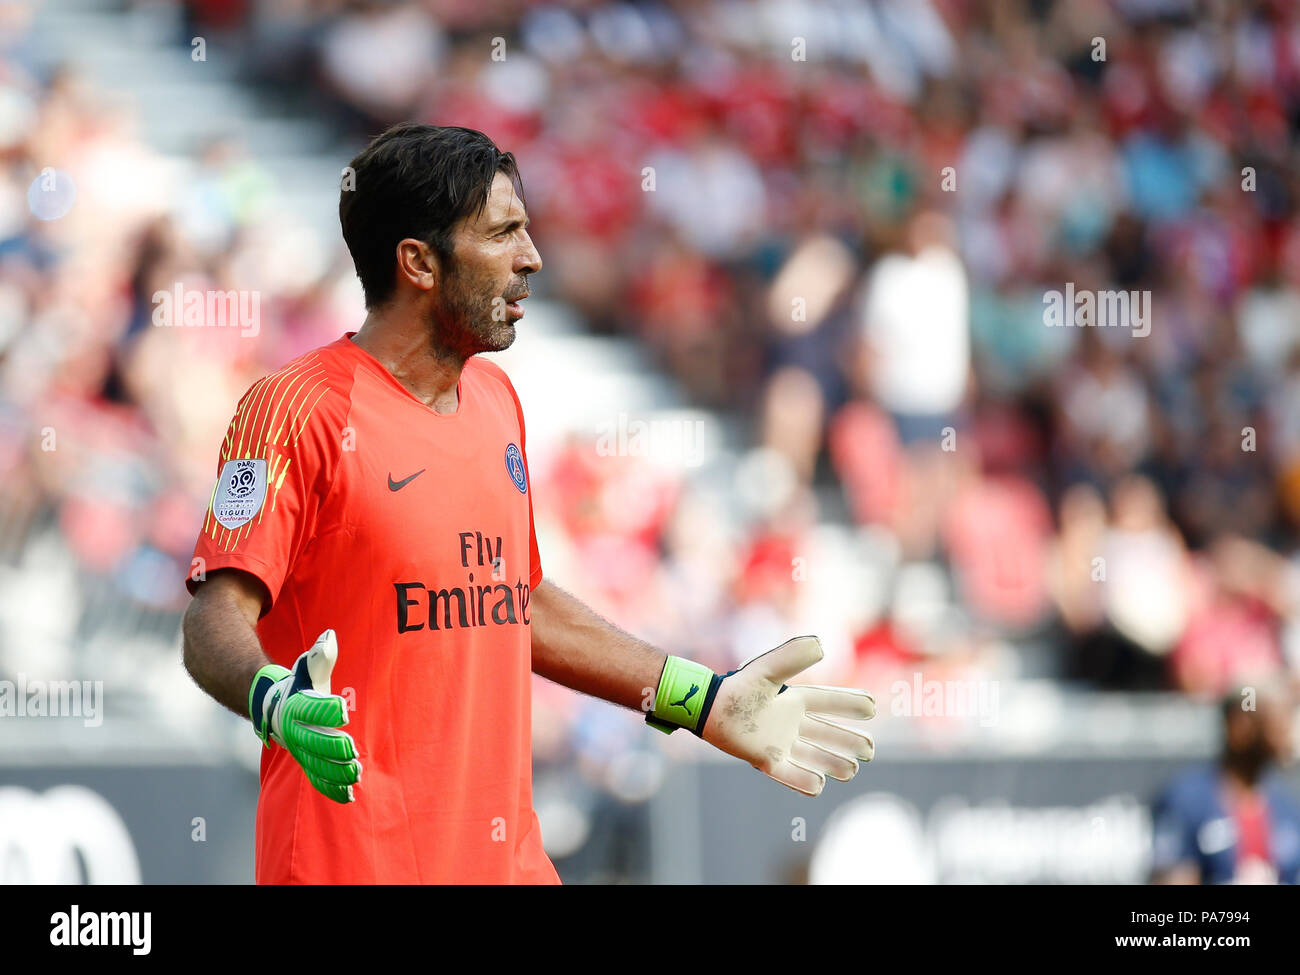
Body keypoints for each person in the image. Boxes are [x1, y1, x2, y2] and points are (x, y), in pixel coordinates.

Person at [179, 124, 876, 884]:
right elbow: (214, 614)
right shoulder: (297, 409)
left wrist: (701, 700)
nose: (531, 257)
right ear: (417, 261)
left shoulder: (495, 398)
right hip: (355, 864)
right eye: (504, 233)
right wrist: (273, 699)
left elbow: (516, 599)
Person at [1151, 681, 1300, 884]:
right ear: (1237, 726)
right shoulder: (1187, 801)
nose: (1286, 734)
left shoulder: (1286, 808)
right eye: (1276, 721)